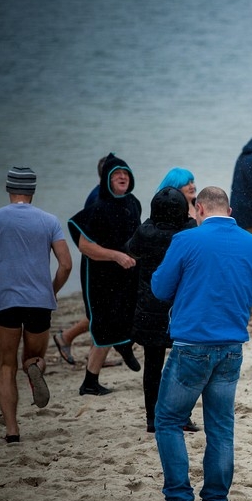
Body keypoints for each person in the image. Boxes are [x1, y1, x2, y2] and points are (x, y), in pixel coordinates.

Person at [148, 186, 252, 501]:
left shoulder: (186, 240)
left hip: (192, 343)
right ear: (228, 211)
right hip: (231, 344)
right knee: (220, 425)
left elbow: (160, 289)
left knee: (168, 420)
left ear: (198, 209)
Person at [0, 167, 72, 442]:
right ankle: (35, 368)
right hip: (39, 304)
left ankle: (12, 430)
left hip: (7, 303)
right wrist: (50, 291)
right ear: (33, 190)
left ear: (8, 188)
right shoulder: (49, 221)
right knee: (32, 359)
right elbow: (66, 265)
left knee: (6, 366)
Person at [67, 153, 142, 396]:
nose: (122, 177)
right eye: (116, 173)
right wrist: (115, 256)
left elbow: (137, 236)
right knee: (105, 325)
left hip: (126, 272)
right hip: (99, 276)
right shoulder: (98, 206)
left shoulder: (133, 203)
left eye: (125, 173)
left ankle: (123, 346)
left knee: (131, 315)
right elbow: (84, 246)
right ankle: (91, 381)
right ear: (107, 179)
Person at [127, 186, 197, 433]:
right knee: (184, 365)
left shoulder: (145, 233)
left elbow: (131, 250)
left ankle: (152, 417)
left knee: (152, 365)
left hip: (150, 307)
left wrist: (150, 222)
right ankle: (182, 416)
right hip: (179, 308)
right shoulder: (187, 233)